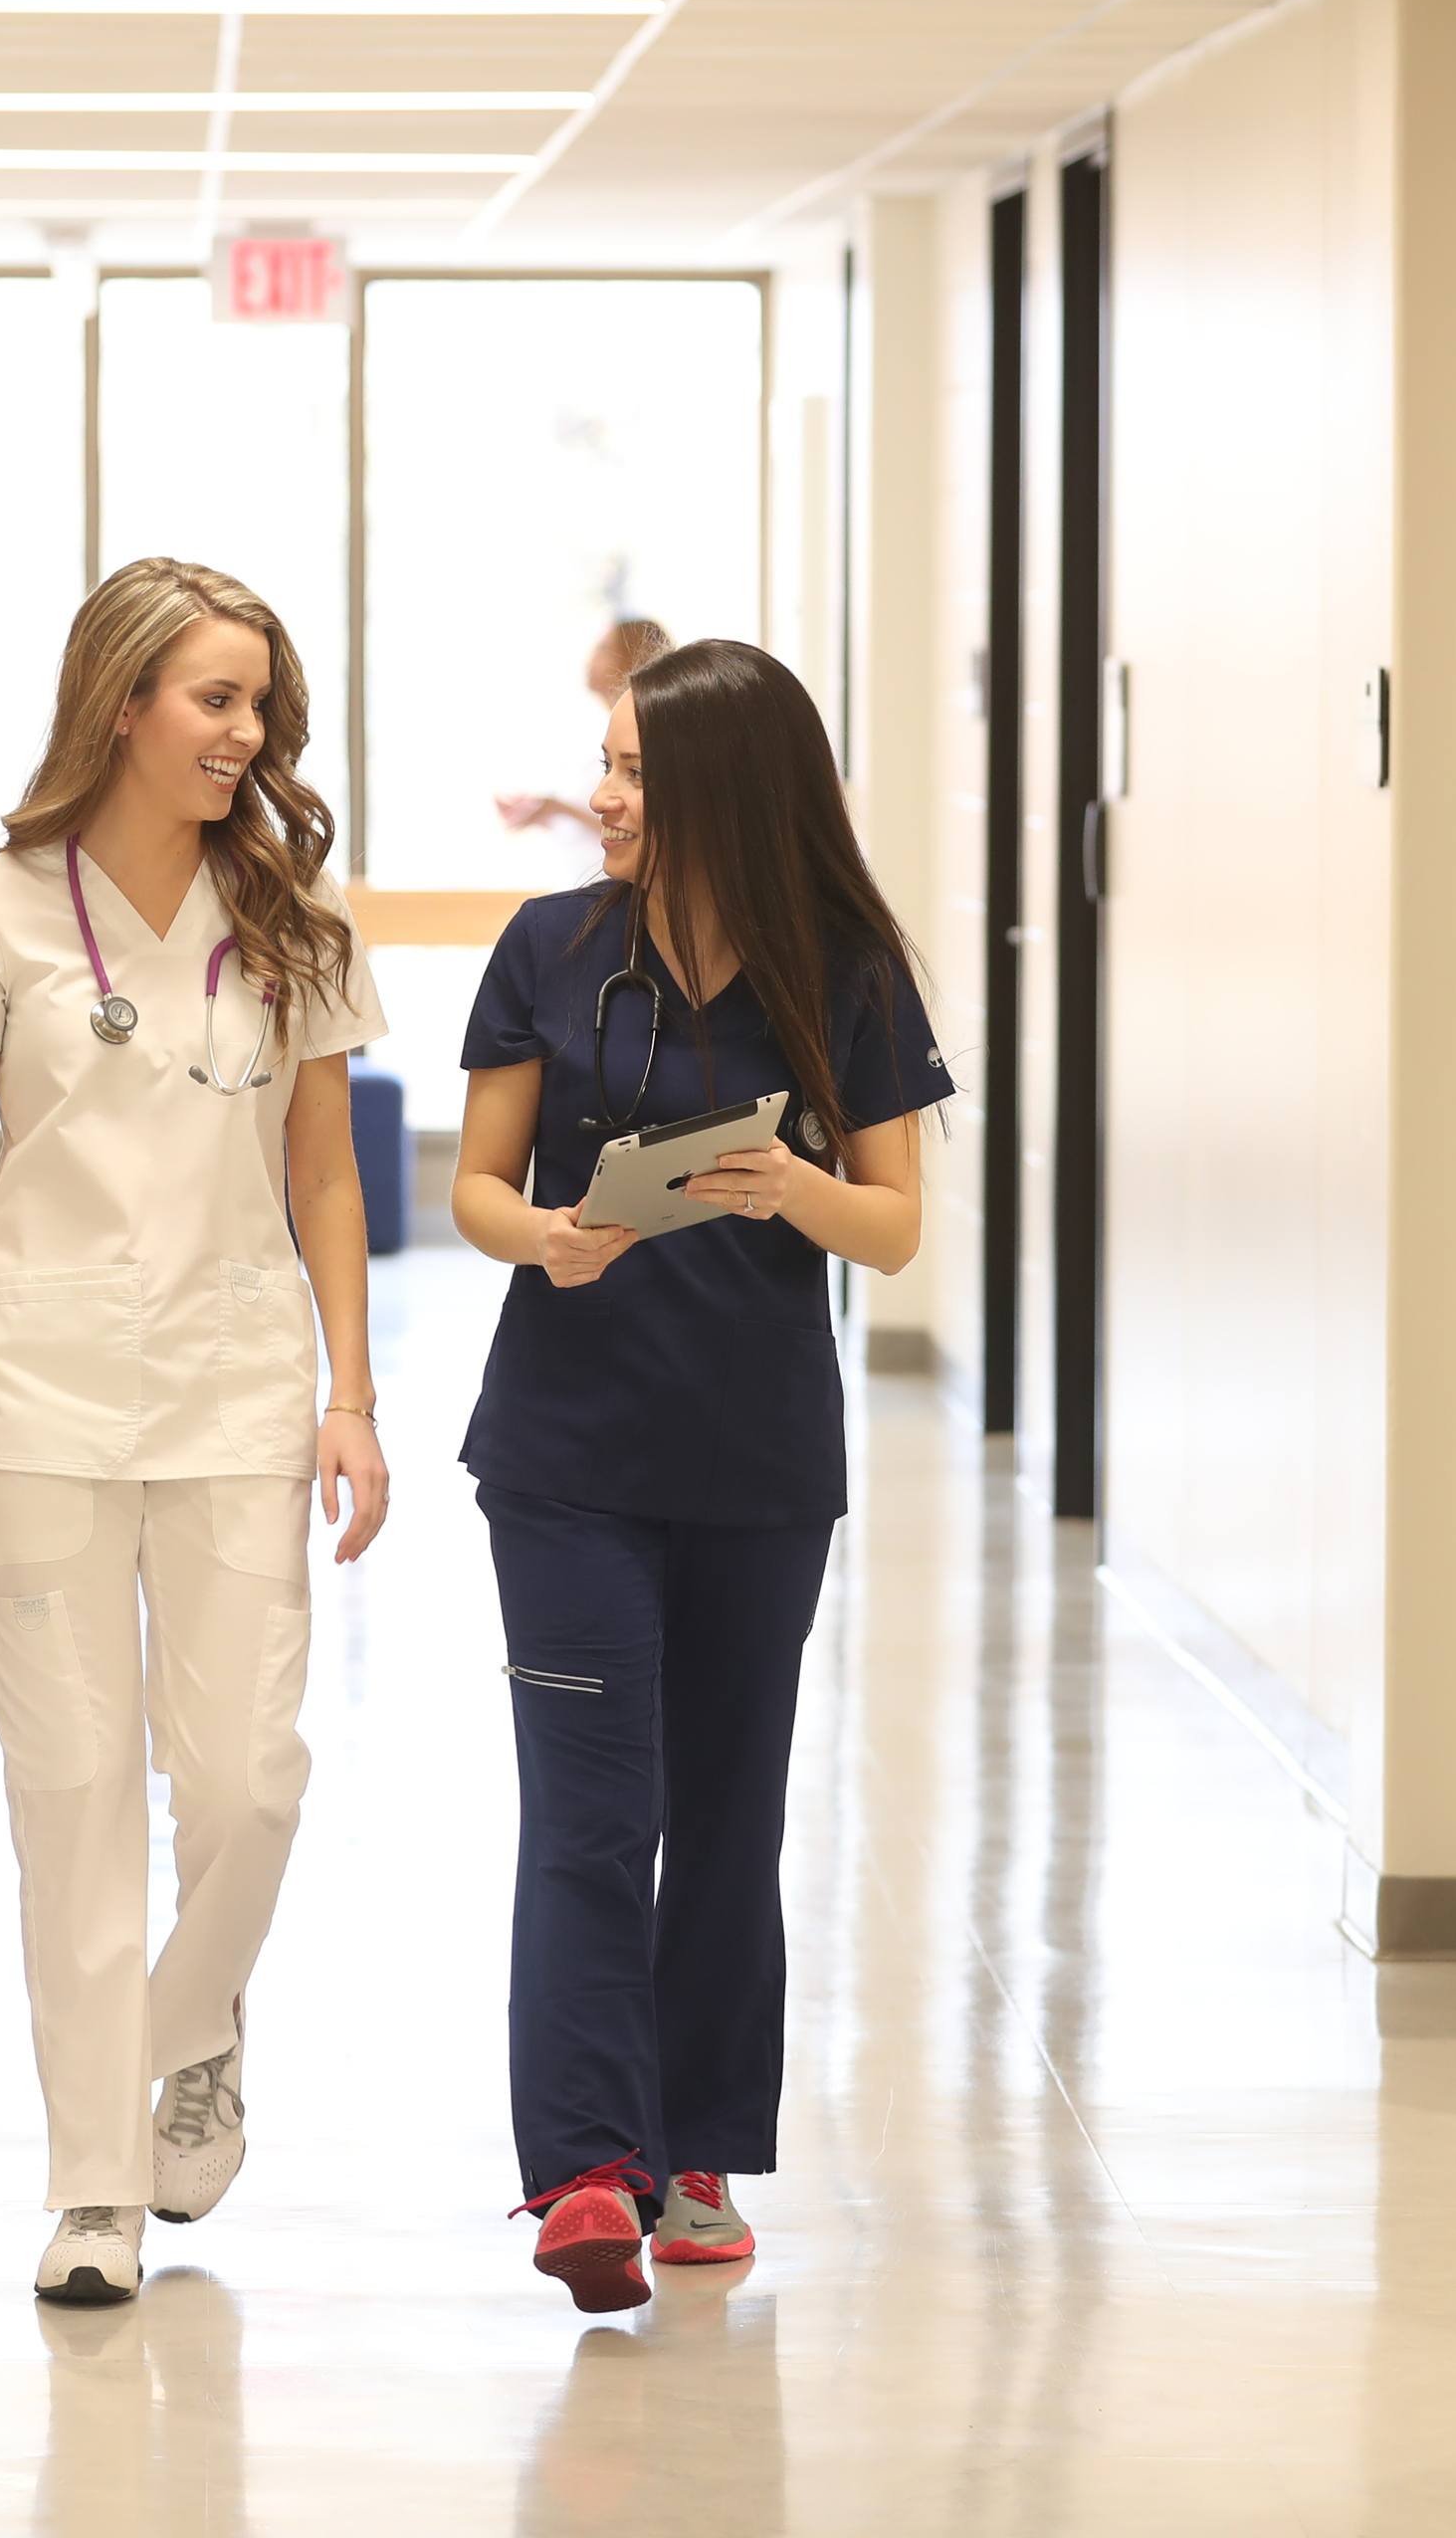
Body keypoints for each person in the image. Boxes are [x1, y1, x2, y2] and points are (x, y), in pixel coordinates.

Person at [0, 555, 392, 2306]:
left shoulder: (296, 921)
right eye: (216, 698)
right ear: (121, 706)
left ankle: (194, 2026)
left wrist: (353, 1395)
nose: (247, 732)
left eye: (259, 703)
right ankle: (94, 2184)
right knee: (71, 1798)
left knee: (247, 1781)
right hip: (40, 1400)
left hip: (241, 1394)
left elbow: (324, 1171)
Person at [451, 637, 950, 2314]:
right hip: (566, 1454)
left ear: (727, 793)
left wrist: (785, 1185)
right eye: (604, 760)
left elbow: (891, 1227)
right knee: (594, 1817)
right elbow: (475, 1185)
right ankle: (587, 2170)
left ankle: (699, 2149)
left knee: (727, 1822)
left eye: (637, 772)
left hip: (755, 1465)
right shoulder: (547, 951)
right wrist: (547, 1242)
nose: (603, 794)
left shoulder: (850, 973)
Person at [494, 616, 673, 837]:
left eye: (603, 648)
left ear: (631, 656)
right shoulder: (598, 734)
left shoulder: (646, 736)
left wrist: (559, 808)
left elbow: (648, 831)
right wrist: (541, 808)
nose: (590, 658)